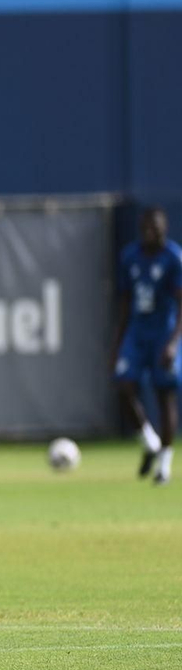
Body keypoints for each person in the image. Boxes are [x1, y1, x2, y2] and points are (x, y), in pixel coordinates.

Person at [113, 207, 182, 485]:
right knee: (123, 386)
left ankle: (164, 465)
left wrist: (174, 343)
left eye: (155, 227)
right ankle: (149, 441)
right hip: (136, 332)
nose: (150, 232)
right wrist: (117, 343)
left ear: (164, 228)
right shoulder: (130, 256)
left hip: (163, 335)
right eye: (146, 227)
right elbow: (125, 302)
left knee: (164, 395)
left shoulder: (174, 258)